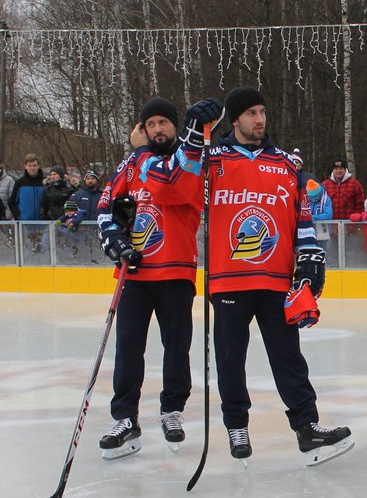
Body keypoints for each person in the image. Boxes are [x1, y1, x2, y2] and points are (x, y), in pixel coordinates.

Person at [208, 85, 353, 465]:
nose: (260, 119)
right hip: (228, 278)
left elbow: (302, 218)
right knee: (229, 357)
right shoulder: (212, 160)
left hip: (276, 279)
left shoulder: (287, 164)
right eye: (252, 113)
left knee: (289, 357)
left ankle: (307, 427)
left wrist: (309, 257)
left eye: (263, 111)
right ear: (235, 118)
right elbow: (184, 184)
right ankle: (236, 425)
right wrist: (194, 136)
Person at [94, 96, 208, 459]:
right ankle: (125, 418)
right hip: (136, 272)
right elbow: (105, 207)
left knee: (176, 346)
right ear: (143, 129)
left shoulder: (189, 158)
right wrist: (115, 239)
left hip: (175, 268)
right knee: (128, 347)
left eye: (163, 122)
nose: (157, 129)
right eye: (150, 124)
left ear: (175, 126)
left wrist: (140, 153)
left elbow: (170, 185)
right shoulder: (129, 165)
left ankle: (172, 410)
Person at [9, 154, 45, 221]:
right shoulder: (19, 183)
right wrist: (18, 216)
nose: (32, 168)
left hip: (43, 223)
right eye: (30, 166)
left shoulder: (44, 183)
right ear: (25, 166)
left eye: (34, 165)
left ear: (38, 166)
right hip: (24, 223)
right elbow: (12, 202)